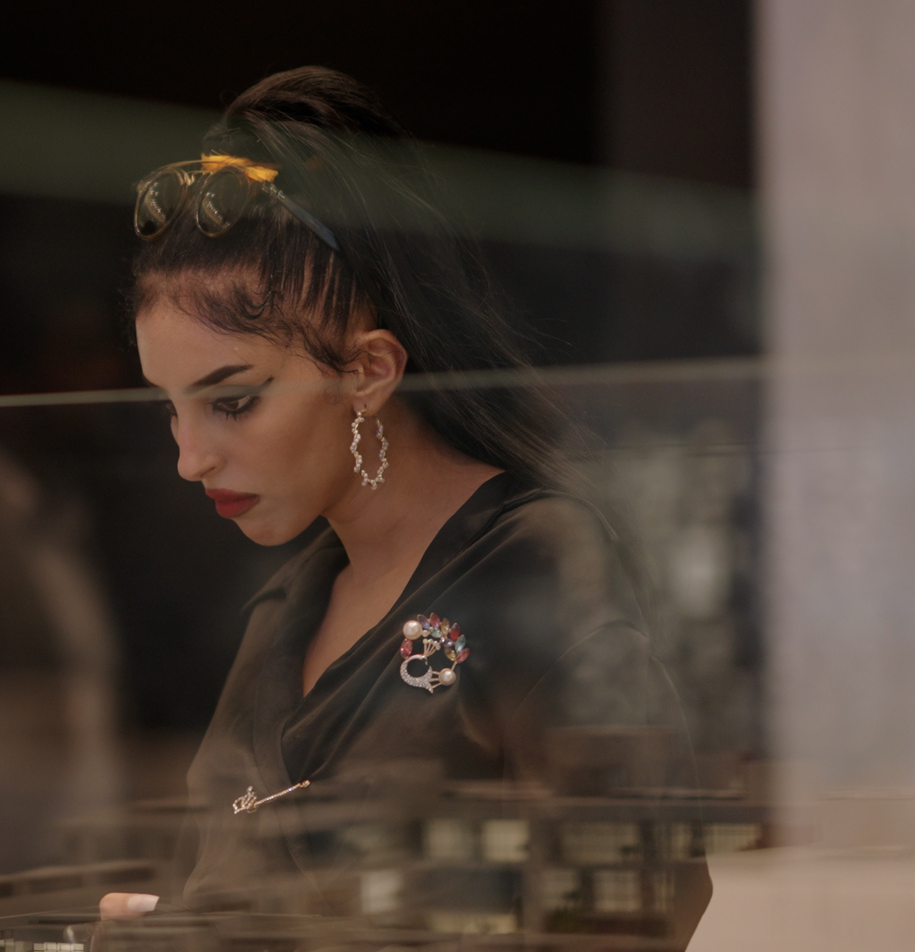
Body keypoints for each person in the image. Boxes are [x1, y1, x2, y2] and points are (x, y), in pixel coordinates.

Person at [104, 68, 709, 940]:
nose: (189, 458)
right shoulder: (286, 612)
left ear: (368, 371)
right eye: (170, 408)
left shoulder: (534, 567)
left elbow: (641, 899)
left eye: (232, 401)